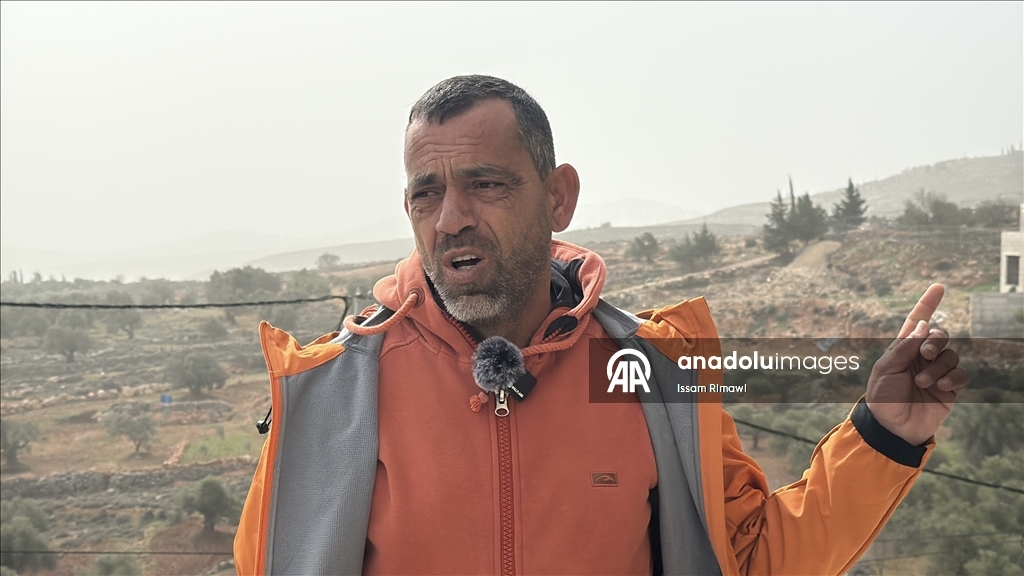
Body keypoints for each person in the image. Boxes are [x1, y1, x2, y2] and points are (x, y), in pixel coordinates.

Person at [233, 75, 968, 575]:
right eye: (427, 194)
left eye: (485, 184)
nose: (451, 218)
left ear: (558, 197)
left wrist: (883, 436)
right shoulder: (336, 389)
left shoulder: (650, 372)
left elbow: (748, 562)